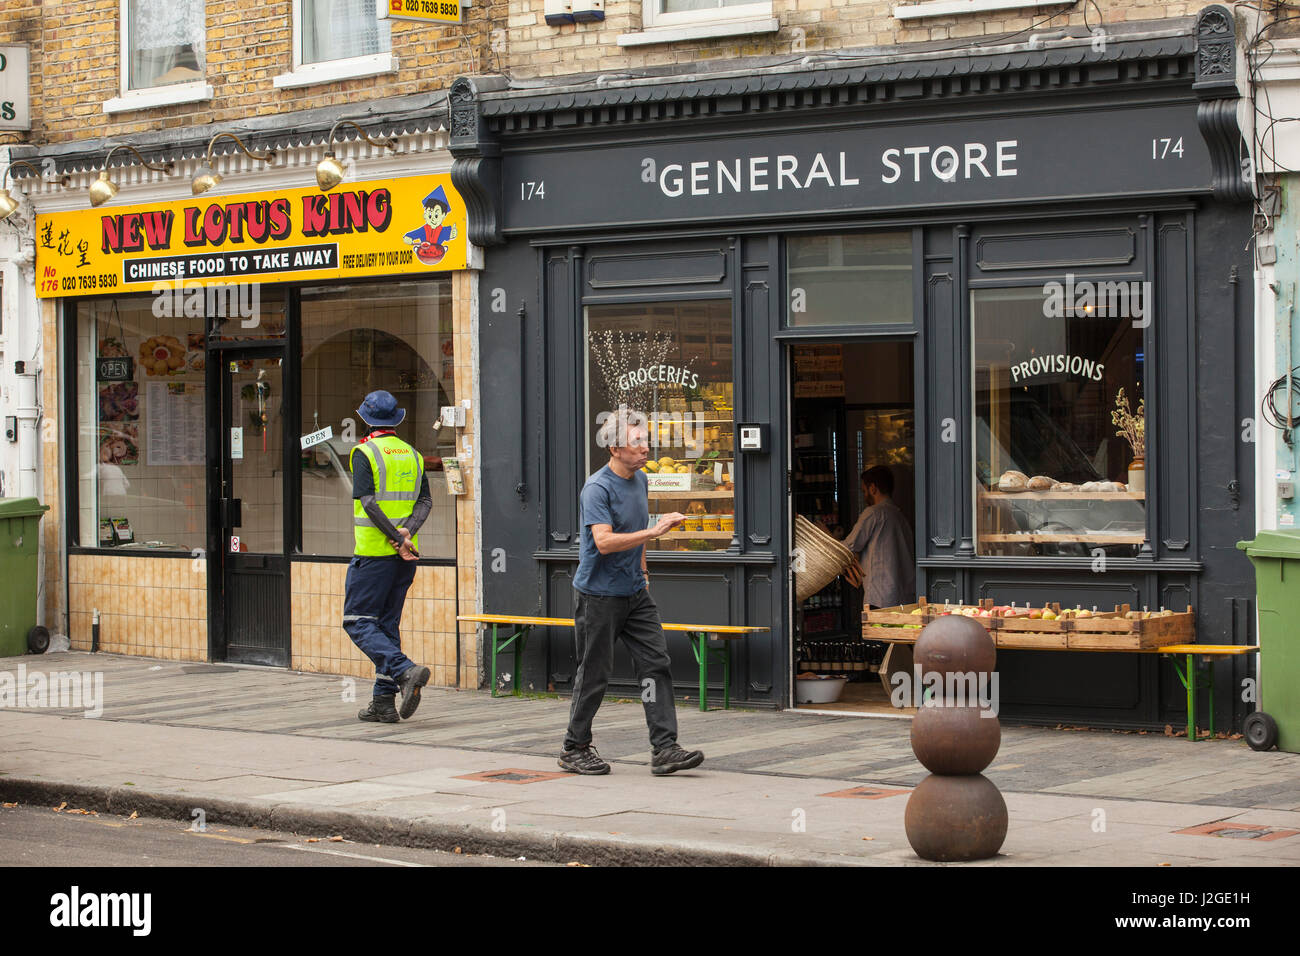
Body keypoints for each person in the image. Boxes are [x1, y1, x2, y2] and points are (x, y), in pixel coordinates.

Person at [558, 409, 705, 776]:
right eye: (637, 441)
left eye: (646, 439)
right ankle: (573, 748)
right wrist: (655, 533)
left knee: (656, 663)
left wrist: (643, 570)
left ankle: (665, 748)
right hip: (598, 595)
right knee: (594, 673)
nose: (646, 447)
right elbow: (604, 542)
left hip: (635, 593)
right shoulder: (597, 488)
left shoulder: (640, 481)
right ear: (614, 448)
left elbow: (635, 529)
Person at [344, 390, 434, 723]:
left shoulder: (364, 452)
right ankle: (383, 703)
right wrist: (407, 534)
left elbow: (368, 503)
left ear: (367, 418)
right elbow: (425, 502)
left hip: (373, 555)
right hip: (404, 558)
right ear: (396, 419)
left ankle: (404, 670)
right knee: (386, 626)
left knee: (356, 622)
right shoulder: (413, 455)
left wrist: (395, 538)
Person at [843, 465, 916, 610]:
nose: (864, 496)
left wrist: (824, 536)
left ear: (873, 488)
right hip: (905, 596)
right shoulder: (900, 516)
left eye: (864, 491)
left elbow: (848, 547)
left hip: (880, 596)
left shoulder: (874, 513)